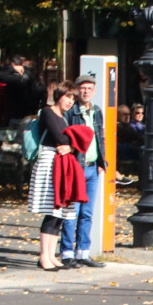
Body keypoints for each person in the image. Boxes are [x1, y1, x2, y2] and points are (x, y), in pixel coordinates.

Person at [28, 81, 81, 271]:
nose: (70, 101)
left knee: (59, 213)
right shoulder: (48, 112)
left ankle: (51, 255)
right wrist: (74, 142)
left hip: (61, 164)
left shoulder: (64, 117)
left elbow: (70, 140)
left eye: (73, 98)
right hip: (50, 163)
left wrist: (72, 145)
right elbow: (61, 137)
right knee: (52, 210)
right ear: (59, 95)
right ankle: (44, 256)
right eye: (68, 96)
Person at [62, 74, 107, 268]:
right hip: (76, 167)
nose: (86, 91)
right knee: (72, 211)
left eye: (89, 88)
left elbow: (100, 137)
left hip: (92, 168)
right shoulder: (71, 112)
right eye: (82, 88)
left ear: (94, 91)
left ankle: (83, 252)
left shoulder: (96, 111)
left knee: (87, 213)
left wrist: (101, 162)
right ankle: (66, 253)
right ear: (77, 90)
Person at [0, 55, 42, 127]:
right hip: (25, 114)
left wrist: (11, 69)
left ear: (12, 65)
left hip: (18, 116)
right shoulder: (27, 74)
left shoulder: (18, 78)